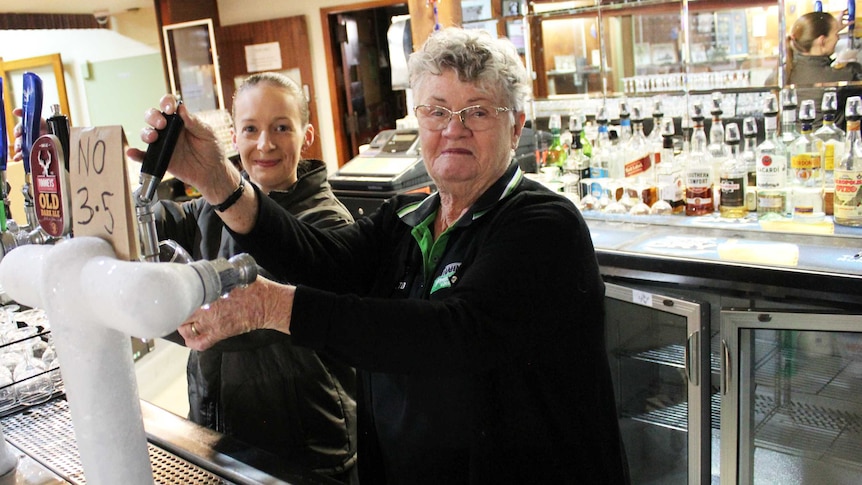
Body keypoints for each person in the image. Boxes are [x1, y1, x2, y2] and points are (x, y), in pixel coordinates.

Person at [130, 28, 630, 484]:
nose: (453, 129)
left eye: (477, 111)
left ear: (516, 126)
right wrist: (219, 180)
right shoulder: (407, 219)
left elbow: (448, 336)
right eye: (436, 111)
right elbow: (319, 260)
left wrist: (273, 306)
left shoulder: (544, 226)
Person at [15, 73, 359, 484]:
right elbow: (134, 223)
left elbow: (244, 317)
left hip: (307, 448)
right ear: (234, 135)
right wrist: (64, 174)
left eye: (281, 127)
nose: (264, 143)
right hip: (218, 432)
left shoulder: (326, 224)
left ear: (307, 135)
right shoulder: (210, 209)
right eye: (250, 128)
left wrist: (148, 302)